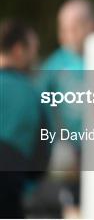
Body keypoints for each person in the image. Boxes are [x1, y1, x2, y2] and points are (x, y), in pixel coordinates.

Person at [34, 0, 94, 217]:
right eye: (63, 27)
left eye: (74, 27)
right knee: (74, 206)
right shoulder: (55, 65)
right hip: (72, 153)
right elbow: (39, 107)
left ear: (93, 26)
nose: (66, 34)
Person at [0, 19, 50, 218]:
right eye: (33, 51)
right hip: (9, 193)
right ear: (19, 50)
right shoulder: (33, 95)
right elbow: (41, 158)